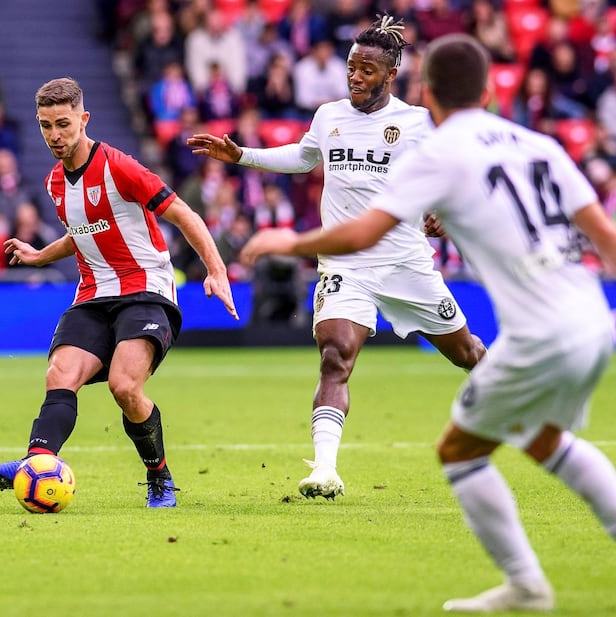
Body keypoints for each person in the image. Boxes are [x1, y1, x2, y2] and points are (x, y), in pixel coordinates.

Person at [240, 33, 616, 613]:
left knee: (472, 444)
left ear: (422, 91)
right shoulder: (539, 144)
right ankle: (329, 468)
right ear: (490, 90)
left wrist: (286, 240)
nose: (356, 76)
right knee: (541, 439)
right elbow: (604, 239)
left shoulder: (436, 144)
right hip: (591, 320)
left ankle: (526, 586)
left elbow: (370, 227)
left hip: (523, 322)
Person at [187, 15, 486, 500]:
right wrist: (242, 155)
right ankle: (324, 469)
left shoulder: (416, 123)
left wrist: (444, 213)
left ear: (390, 75)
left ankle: (526, 404)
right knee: (334, 357)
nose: (355, 77)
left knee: (468, 354)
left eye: (367, 70)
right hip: (346, 265)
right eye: (351, 67)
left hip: (406, 263)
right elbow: (305, 158)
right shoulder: (328, 116)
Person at [0, 77, 238, 508]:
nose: (54, 136)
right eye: (45, 126)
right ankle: (35, 462)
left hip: (146, 289)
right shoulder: (54, 183)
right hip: (94, 293)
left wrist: (216, 268)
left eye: (63, 124)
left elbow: (185, 214)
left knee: (124, 387)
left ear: (84, 119)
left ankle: (159, 475)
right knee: (60, 375)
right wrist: (42, 255)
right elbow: (84, 232)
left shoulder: (121, 168)